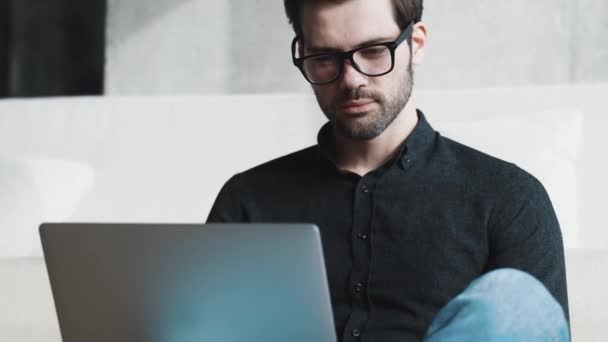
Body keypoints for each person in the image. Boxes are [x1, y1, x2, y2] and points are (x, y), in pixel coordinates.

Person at [207, 0, 570, 340]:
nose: (351, 80)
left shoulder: (509, 197)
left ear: (417, 43)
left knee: (515, 302)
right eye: (324, 57)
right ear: (303, 54)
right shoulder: (248, 201)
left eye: (375, 50)